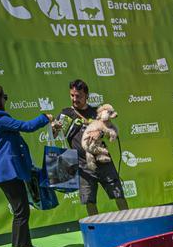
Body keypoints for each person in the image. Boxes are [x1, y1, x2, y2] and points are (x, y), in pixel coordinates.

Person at [0, 83, 52, 247]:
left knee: (22, 209)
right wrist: (45, 118)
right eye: (4, 96)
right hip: (8, 170)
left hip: (1, 171)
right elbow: (26, 126)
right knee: (21, 211)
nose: (5, 100)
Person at [50, 79, 129, 219]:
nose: (75, 99)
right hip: (81, 165)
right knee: (89, 201)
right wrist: (54, 128)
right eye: (72, 95)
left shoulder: (96, 112)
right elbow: (54, 134)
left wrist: (100, 132)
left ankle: (130, 223)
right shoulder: (66, 114)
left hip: (104, 161)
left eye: (78, 96)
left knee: (118, 194)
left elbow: (111, 129)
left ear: (86, 95)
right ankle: (95, 230)